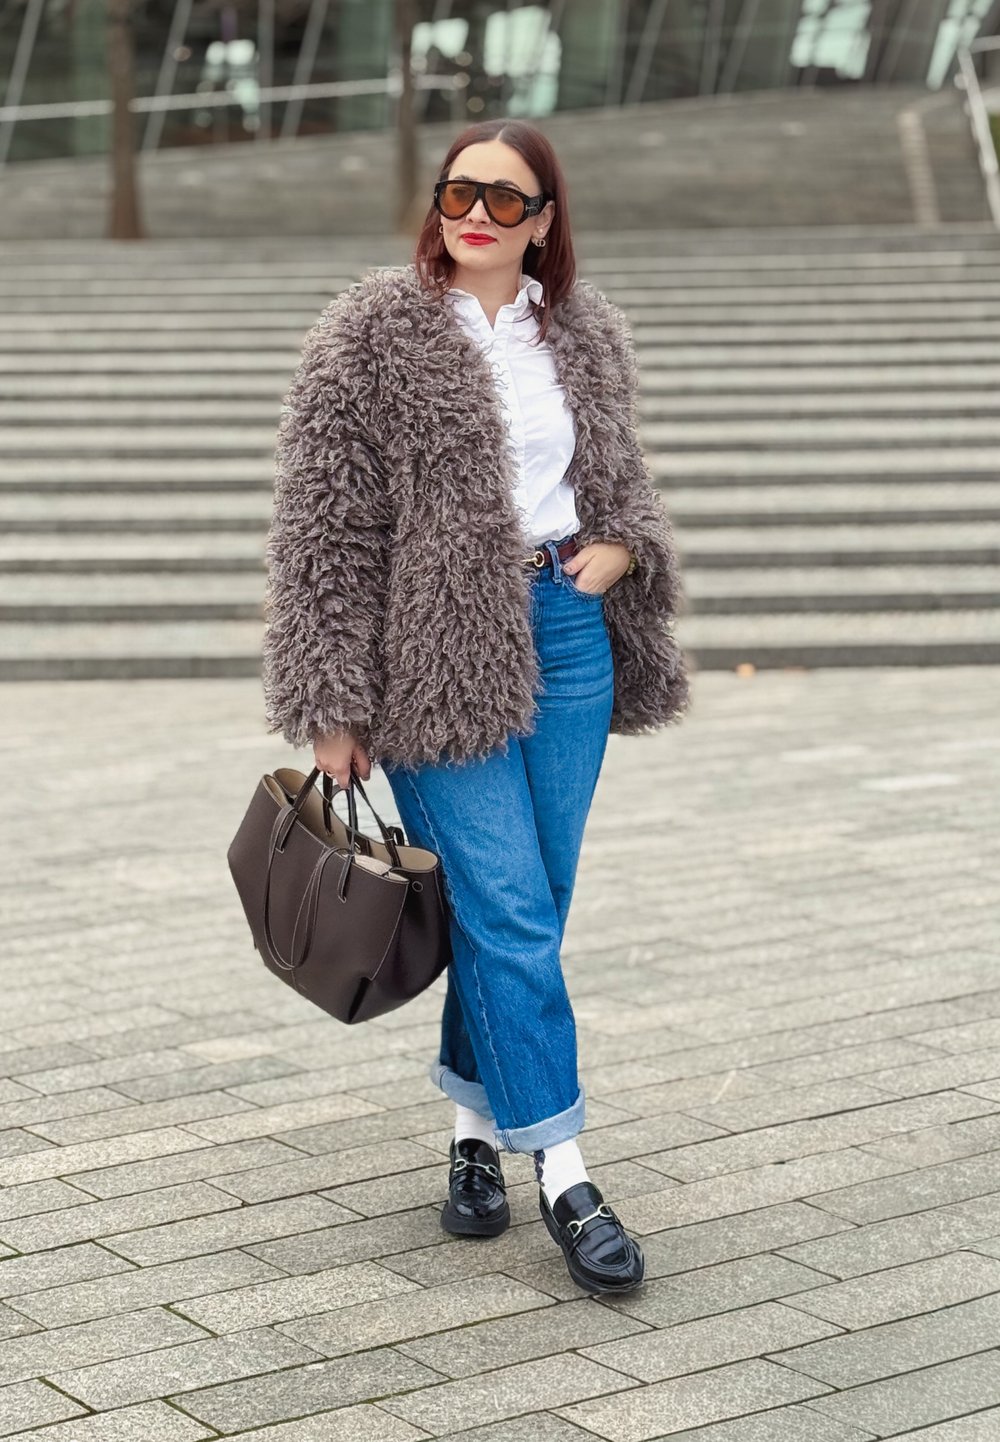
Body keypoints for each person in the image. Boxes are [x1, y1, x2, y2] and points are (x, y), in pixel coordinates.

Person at [262, 117, 689, 1294]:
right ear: (438, 202)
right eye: (462, 192)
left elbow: (618, 475)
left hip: (567, 630)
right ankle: (565, 1170)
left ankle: (467, 1131)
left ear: (543, 221)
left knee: (528, 902)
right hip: (432, 653)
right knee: (505, 904)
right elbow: (323, 527)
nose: (479, 216)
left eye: (507, 200)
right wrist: (331, 698)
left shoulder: (584, 330)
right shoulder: (369, 334)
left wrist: (621, 545)